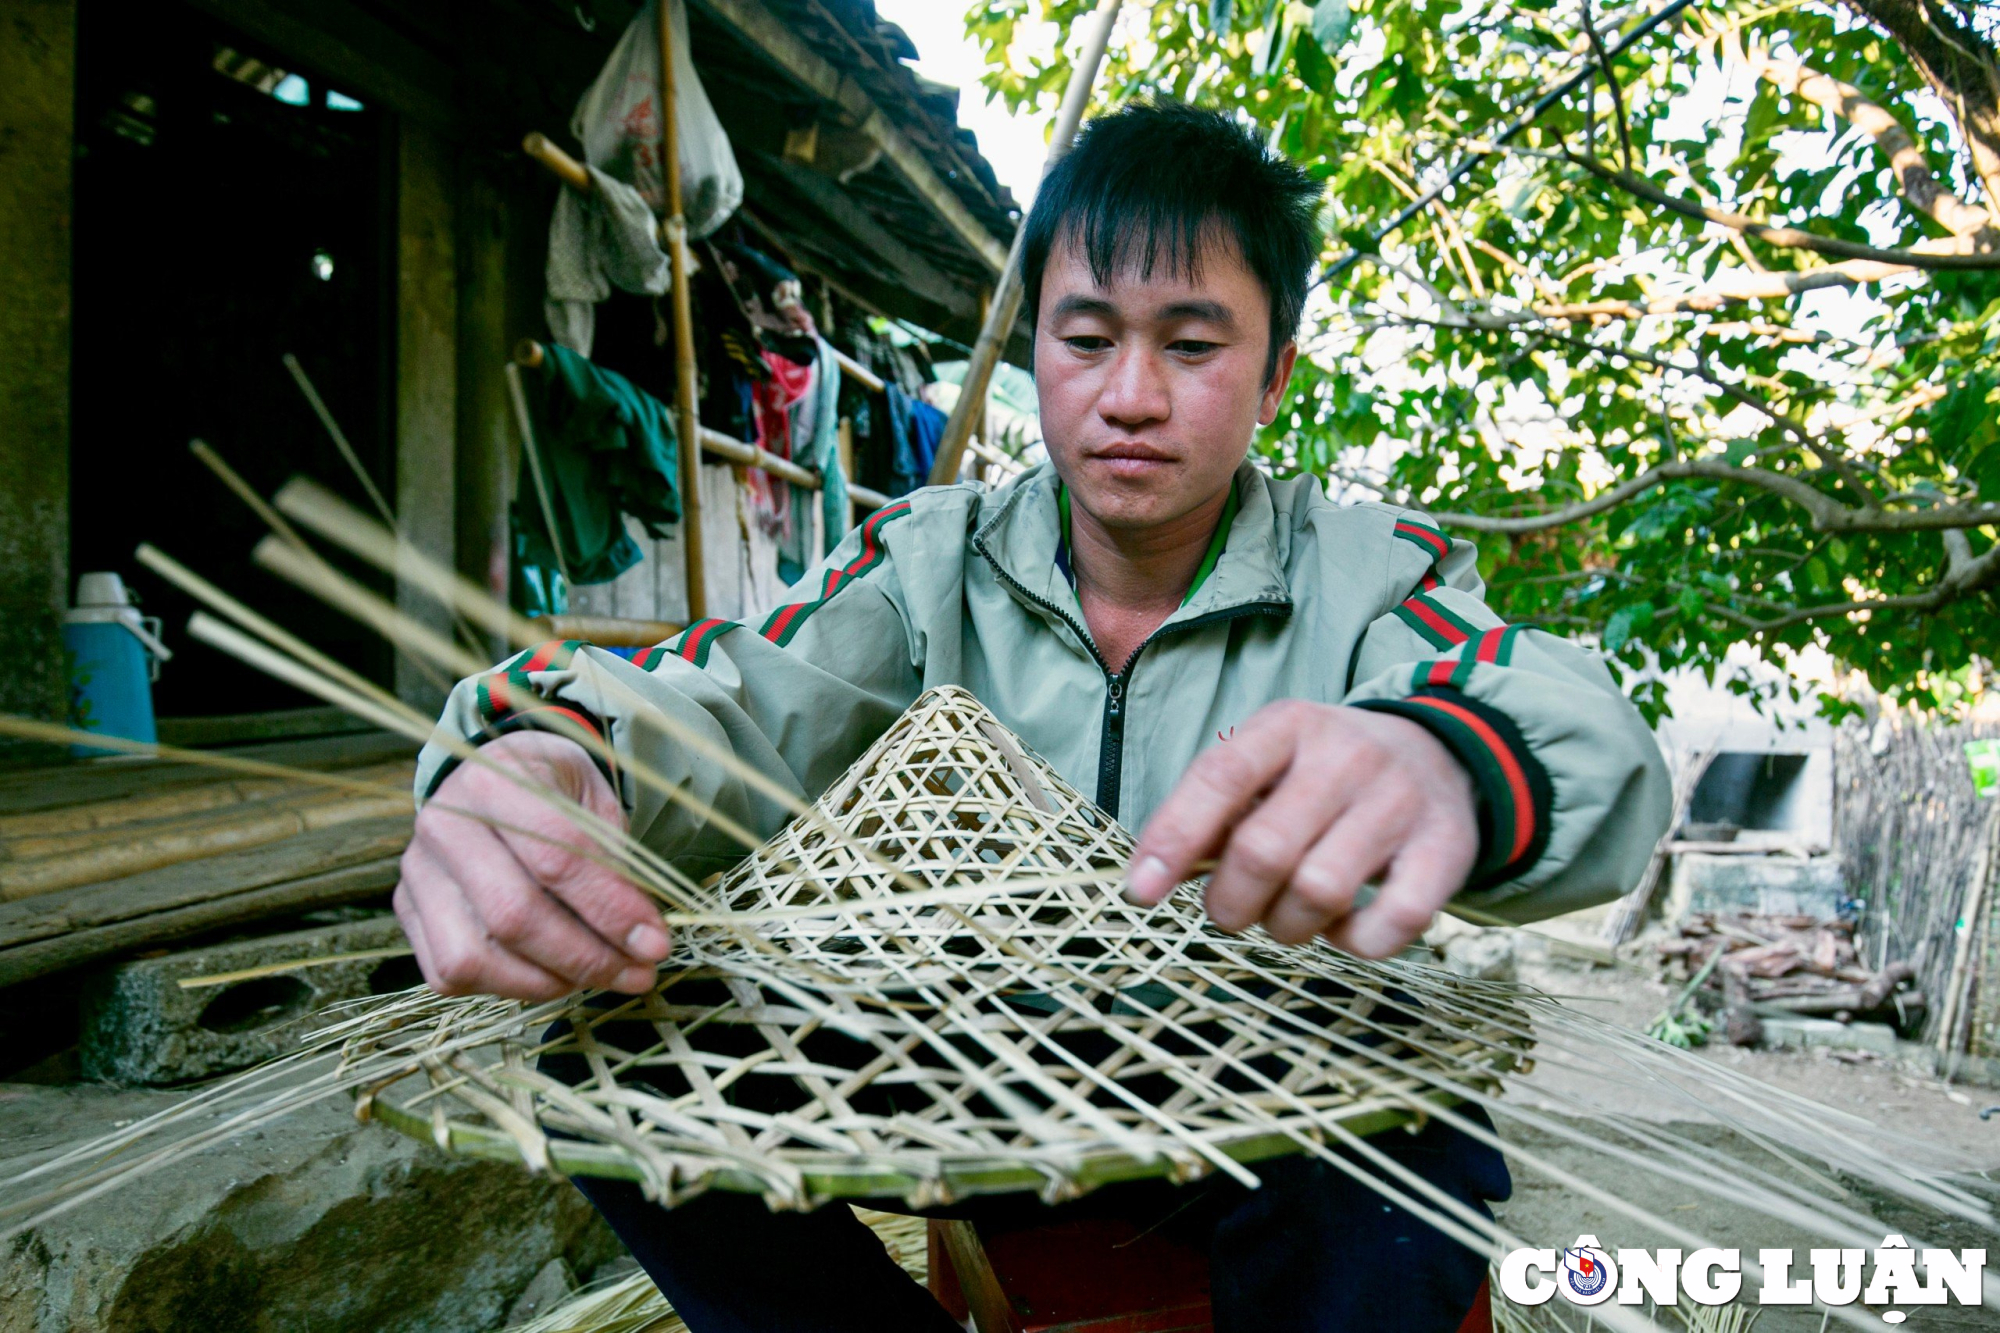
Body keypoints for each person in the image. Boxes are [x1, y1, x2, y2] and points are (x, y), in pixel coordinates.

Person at [398, 100, 1671, 1333]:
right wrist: (549, 747)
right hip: (970, 1066)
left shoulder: (1367, 576)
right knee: (611, 1061)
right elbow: (727, 696)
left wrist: (1447, 761)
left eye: (1190, 343)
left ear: (1275, 373)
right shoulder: (922, 562)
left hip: (1268, 1077)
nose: (1128, 394)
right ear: (1032, 356)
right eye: (1084, 338)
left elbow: (1563, 718)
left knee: (1405, 1147)